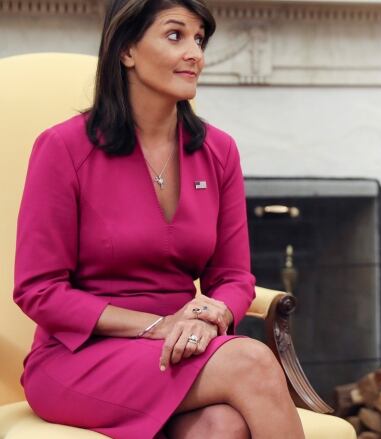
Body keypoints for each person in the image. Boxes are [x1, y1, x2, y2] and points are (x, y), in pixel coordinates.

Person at [13, 0, 305, 437]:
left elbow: (233, 276)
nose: (196, 54)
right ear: (127, 50)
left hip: (181, 347)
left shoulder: (218, 151)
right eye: (175, 36)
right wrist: (155, 326)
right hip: (79, 357)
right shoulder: (63, 148)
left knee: (222, 426)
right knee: (251, 360)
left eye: (200, 40)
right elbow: (39, 290)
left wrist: (210, 314)